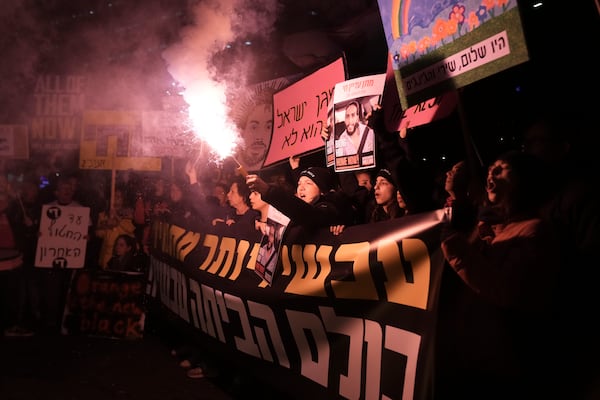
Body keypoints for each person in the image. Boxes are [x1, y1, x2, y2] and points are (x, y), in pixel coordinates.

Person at [438, 150, 561, 398]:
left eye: (501, 168)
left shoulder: (534, 231)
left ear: (524, 180)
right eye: (490, 169)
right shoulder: (492, 229)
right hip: (475, 355)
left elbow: (504, 290)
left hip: (502, 364)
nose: (490, 174)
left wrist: (453, 245)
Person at [94, 187, 135, 269]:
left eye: (119, 197)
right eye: (114, 196)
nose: (116, 199)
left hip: (123, 257)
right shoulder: (103, 215)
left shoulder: (128, 215)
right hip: (107, 257)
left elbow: (130, 229)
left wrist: (117, 219)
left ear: (123, 200)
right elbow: (98, 234)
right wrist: (106, 225)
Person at [334, 100, 375, 167]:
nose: (349, 121)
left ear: (358, 117)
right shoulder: (341, 139)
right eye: (347, 116)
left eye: (353, 115)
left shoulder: (369, 132)